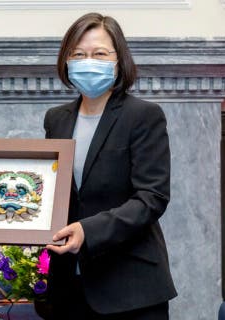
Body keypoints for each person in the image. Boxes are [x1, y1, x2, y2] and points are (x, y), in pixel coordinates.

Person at [44, 13, 177, 319]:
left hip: (131, 288)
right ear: (66, 61)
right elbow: (56, 192)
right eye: (78, 54)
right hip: (69, 289)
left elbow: (151, 198)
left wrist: (88, 230)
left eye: (100, 53)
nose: (88, 61)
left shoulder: (143, 116)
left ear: (119, 61)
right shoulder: (57, 119)